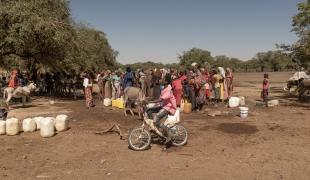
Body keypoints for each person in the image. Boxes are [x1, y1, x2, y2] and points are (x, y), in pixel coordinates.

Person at [147, 75, 177, 144]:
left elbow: (160, 99)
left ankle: (169, 135)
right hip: (163, 105)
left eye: (162, 79)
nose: (161, 80)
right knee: (149, 111)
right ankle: (154, 128)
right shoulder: (164, 88)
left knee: (156, 118)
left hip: (168, 107)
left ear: (166, 81)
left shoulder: (168, 89)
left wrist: (149, 102)